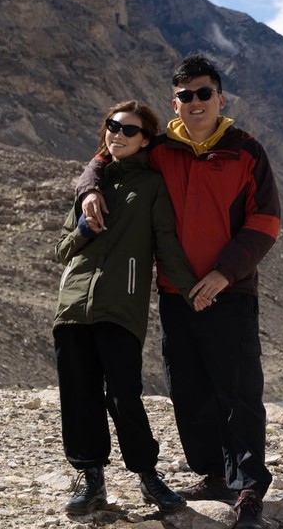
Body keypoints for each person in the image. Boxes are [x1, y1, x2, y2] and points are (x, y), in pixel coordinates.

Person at [77, 54, 281, 529]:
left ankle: (249, 486)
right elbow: (103, 158)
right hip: (175, 293)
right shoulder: (160, 148)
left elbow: (265, 221)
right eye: (186, 96)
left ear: (220, 98)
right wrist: (88, 190)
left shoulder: (245, 151)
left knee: (239, 390)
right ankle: (213, 475)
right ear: (174, 102)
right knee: (188, 389)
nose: (195, 103)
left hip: (230, 291)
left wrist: (224, 274)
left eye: (204, 93)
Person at [54, 100, 195, 516]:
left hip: (121, 308)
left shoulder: (151, 186)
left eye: (128, 130)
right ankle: (91, 481)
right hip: (74, 308)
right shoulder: (87, 189)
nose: (117, 134)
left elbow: (166, 244)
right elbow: (62, 249)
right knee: (79, 397)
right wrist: (82, 227)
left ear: (145, 139)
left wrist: (194, 291)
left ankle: (148, 477)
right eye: (112, 126)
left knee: (124, 396)